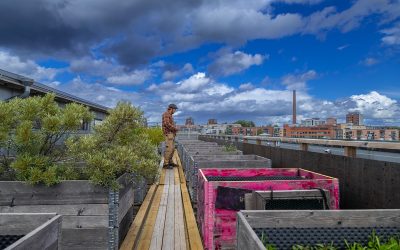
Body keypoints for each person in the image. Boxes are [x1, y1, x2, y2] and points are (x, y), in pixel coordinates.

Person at [162, 104, 178, 168]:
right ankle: (166, 164)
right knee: (169, 149)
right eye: (174, 109)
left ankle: (170, 162)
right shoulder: (166, 114)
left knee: (172, 148)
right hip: (168, 134)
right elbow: (167, 124)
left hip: (171, 134)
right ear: (171, 109)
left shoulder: (170, 115)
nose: (175, 111)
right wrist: (175, 128)